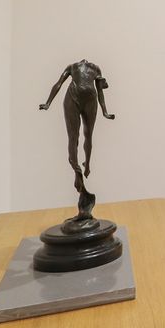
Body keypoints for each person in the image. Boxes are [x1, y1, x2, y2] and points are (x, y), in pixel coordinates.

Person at [39, 59, 115, 219]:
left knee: (89, 135)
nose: (84, 62)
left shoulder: (96, 68)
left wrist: (105, 112)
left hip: (90, 100)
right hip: (72, 98)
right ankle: (77, 170)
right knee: (73, 137)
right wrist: (48, 103)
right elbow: (58, 83)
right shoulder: (72, 67)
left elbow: (101, 91)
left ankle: (86, 164)